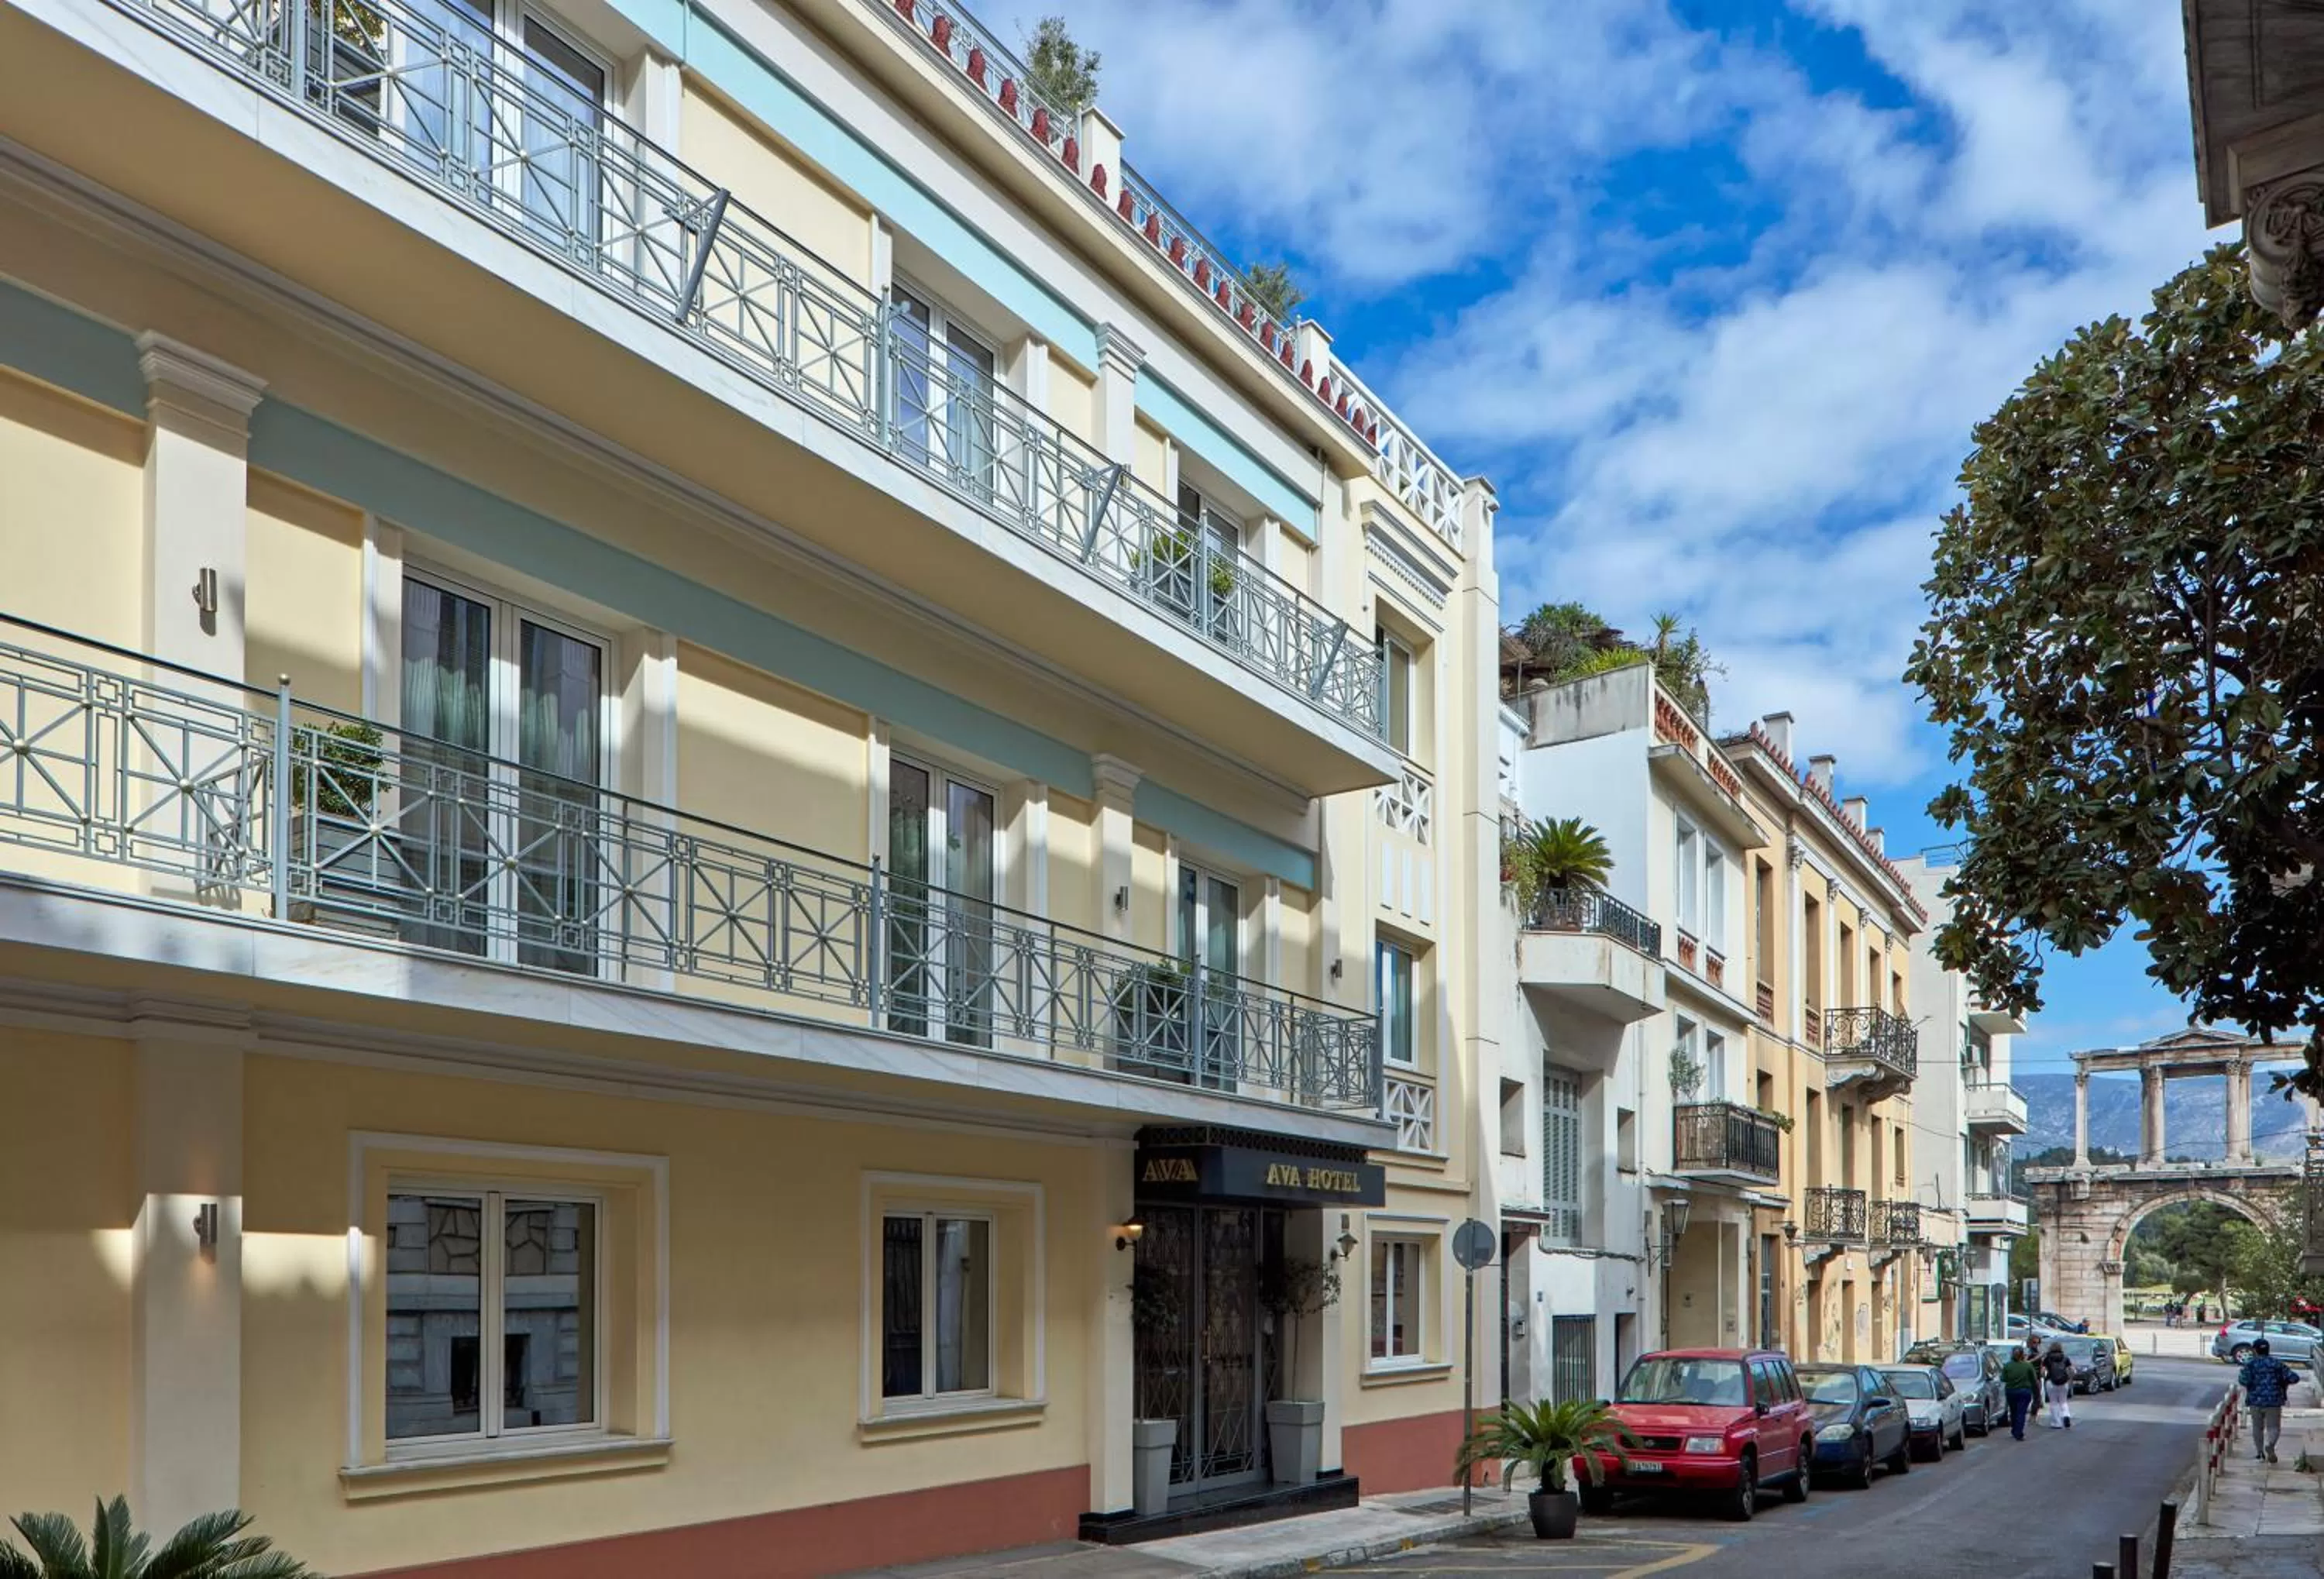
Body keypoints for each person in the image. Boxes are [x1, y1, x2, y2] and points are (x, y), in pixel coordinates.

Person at [2239, 1337, 2299, 1464]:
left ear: (2255, 1350)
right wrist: (2283, 1383)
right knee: (2274, 1427)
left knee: (2257, 1427)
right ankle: (2270, 1445)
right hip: (2274, 1400)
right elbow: (2294, 1377)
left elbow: (2243, 1381)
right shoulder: (2277, 1364)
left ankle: (2260, 1453)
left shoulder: (2251, 1364)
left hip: (2255, 1400)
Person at [2000, 1344, 2041, 1440]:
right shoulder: (2028, 1365)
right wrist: (2036, 1391)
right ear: (2023, 1355)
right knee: (2021, 1412)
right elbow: (2034, 1379)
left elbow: (2003, 1379)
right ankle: (2018, 1432)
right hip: (2025, 1391)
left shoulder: (2007, 1366)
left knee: (2013, 1411)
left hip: (2011, 1391)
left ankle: (2015, 1429)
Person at [2041, 1340, 2076, 1429]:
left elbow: (2043, 1371)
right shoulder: (2065, 1357)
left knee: (2053, 1402)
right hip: (2064, 1382)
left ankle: (2056, 1423)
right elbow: (2072, 1369)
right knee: (2063, 1401)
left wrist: (2043, 1376)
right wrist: (2069, 1377)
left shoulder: (2047, 1358)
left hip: (2051, 1381)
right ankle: (2066, 1415)